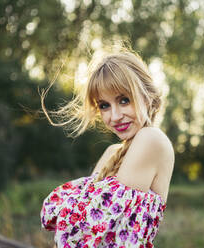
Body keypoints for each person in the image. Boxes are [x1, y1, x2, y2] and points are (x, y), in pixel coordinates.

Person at [40, 47, 174, 248]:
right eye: (104, 105)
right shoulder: (112, 152)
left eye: (124, 100)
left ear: (147, 96)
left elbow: (94, 228)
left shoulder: (150, 138)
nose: (115, 116)